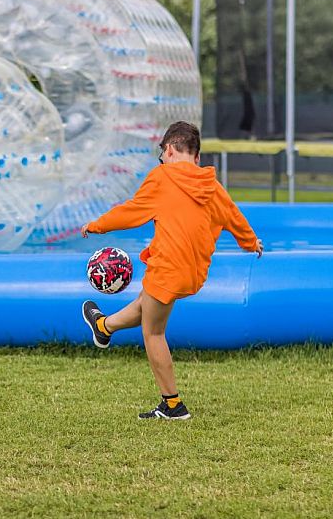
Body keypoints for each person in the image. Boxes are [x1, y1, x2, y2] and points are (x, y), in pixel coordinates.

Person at [80, 121, 263, 420]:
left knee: (153, 332)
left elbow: (131, 211)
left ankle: (173, 405)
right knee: (147, 304)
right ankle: (103, 327)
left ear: (168, 150)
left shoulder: (162, 176)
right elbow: (234, 216)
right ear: (197, 157)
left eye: (162, 155)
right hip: (193, 272)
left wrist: (96, 225)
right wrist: (250, 241)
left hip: (167, 267)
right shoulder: (212, 186)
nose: (161, 160)